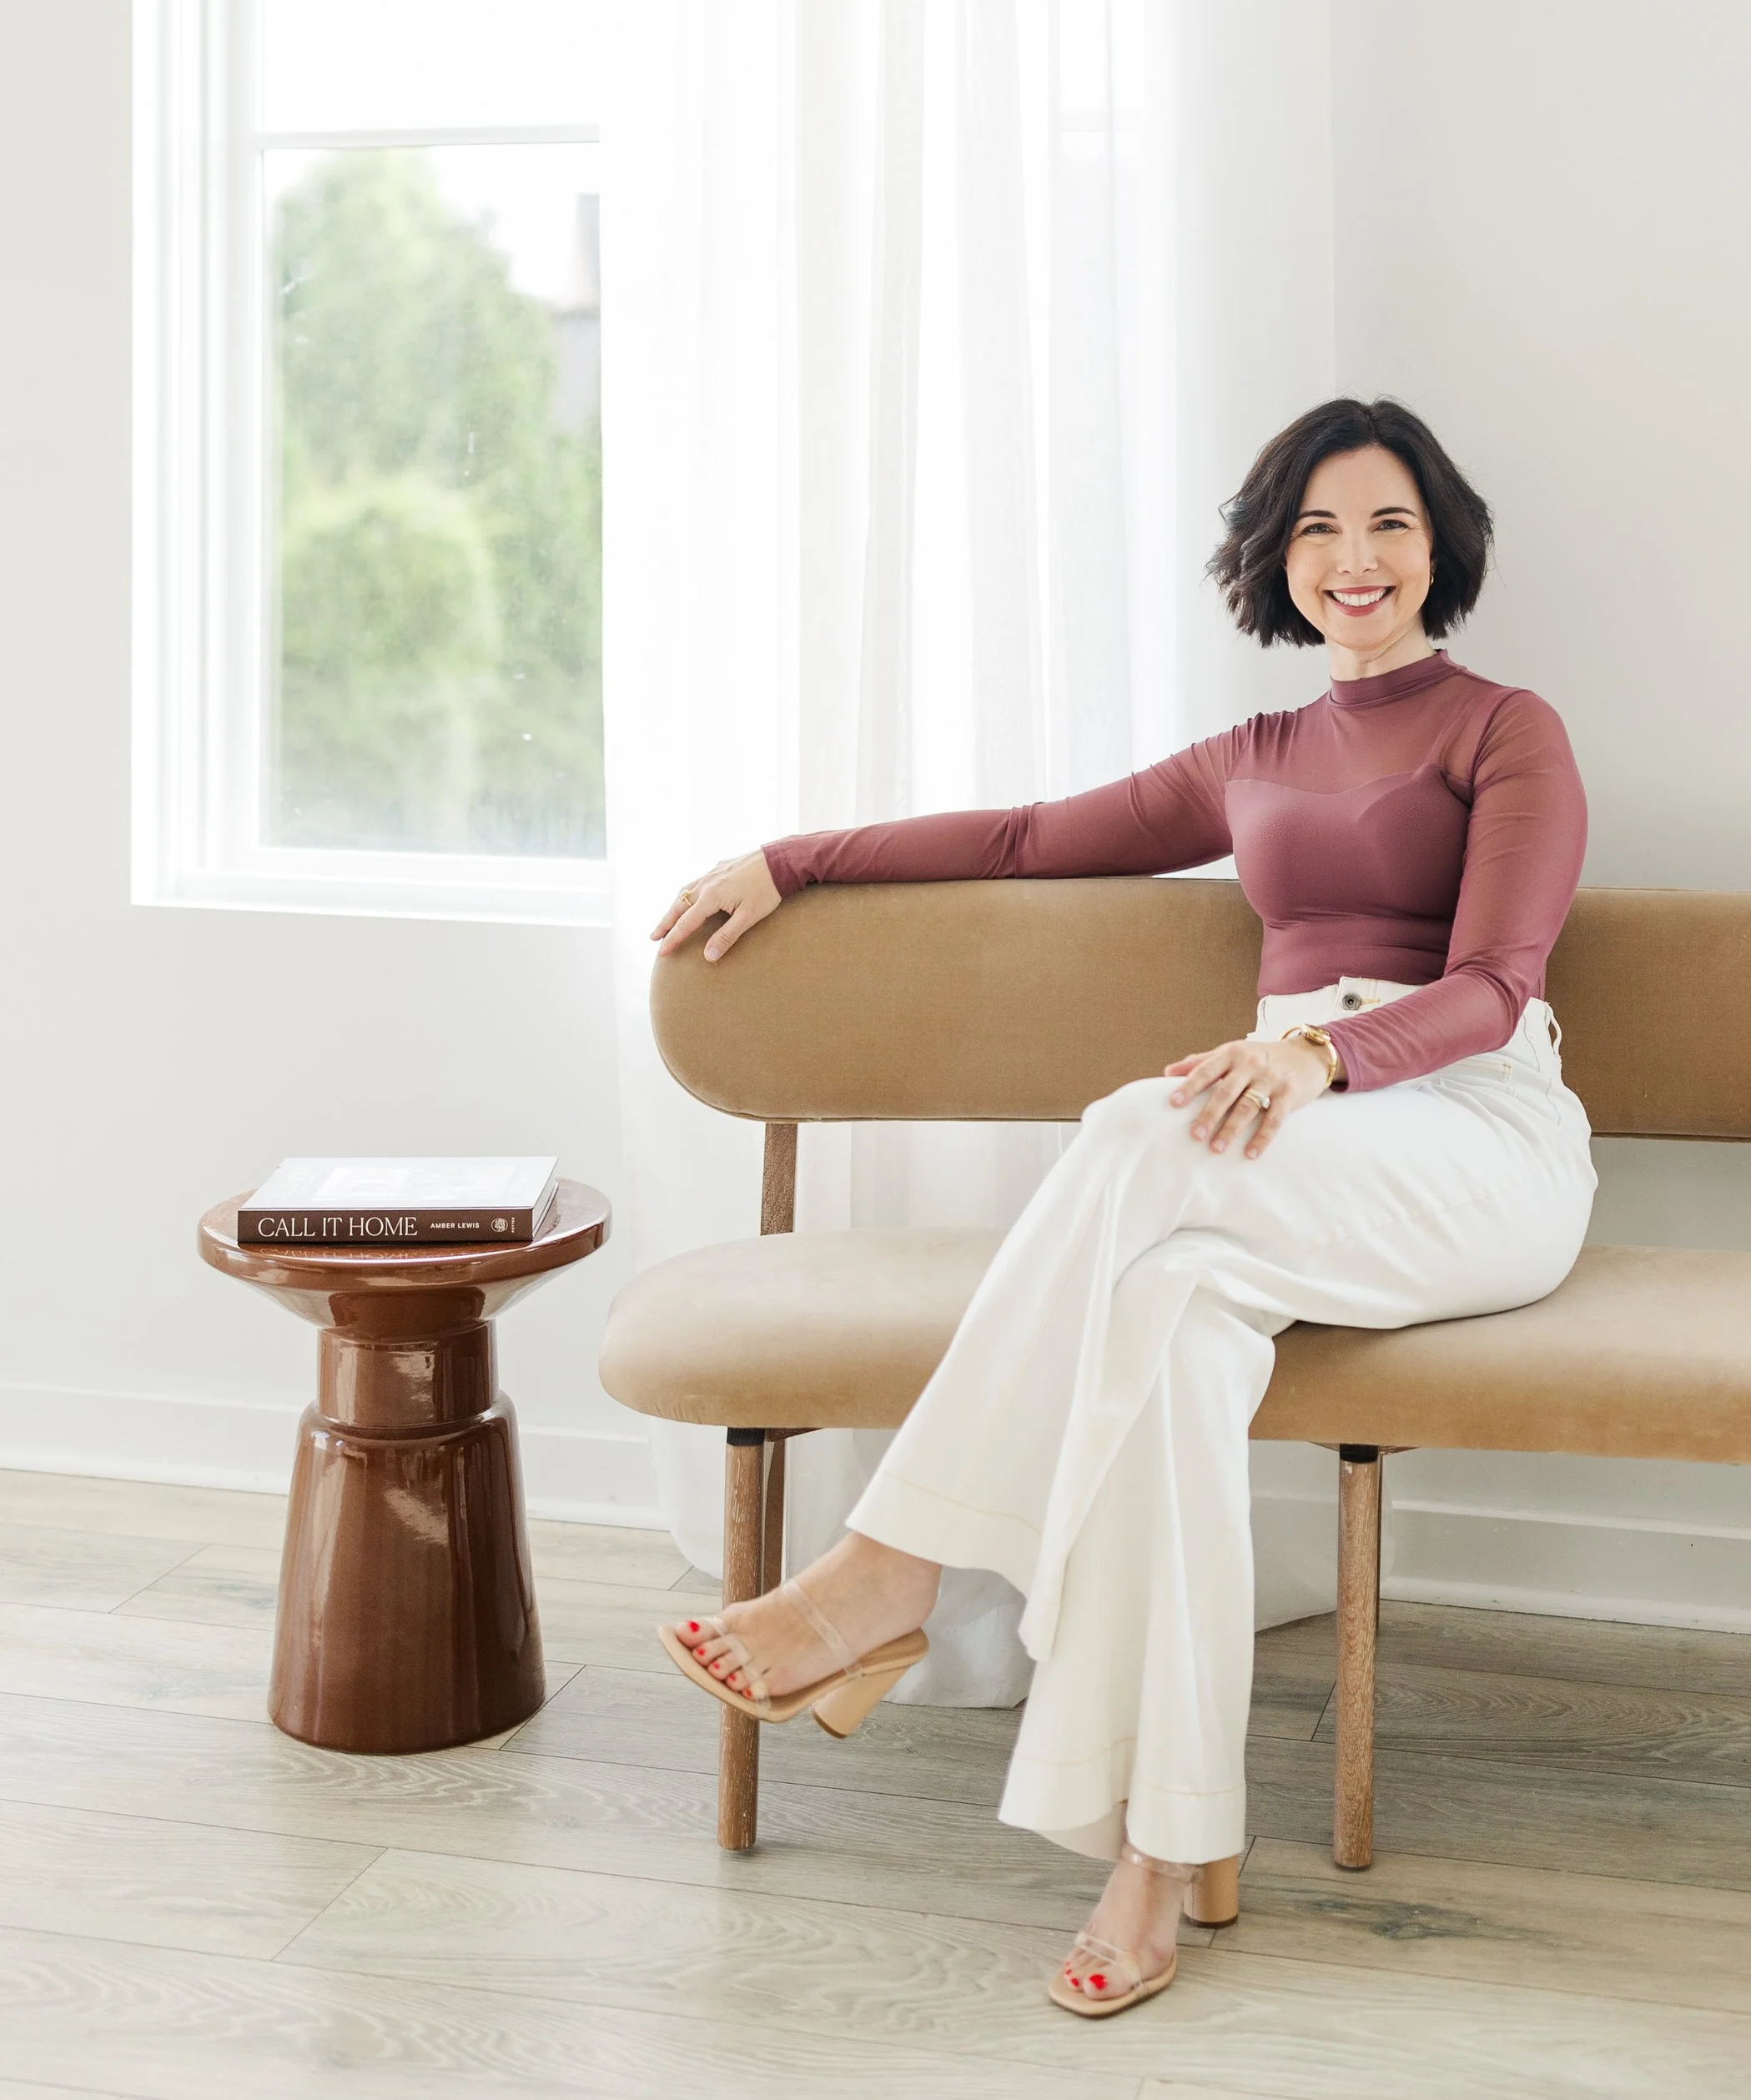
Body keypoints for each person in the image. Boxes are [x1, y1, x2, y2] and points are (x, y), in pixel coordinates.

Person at [651, 394, 1595, 2020]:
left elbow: (1498, 990)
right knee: (1160, 1338)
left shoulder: (1502, 728)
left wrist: (1317, 1049)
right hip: (1267, 1140)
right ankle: (1153, 1853)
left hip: (1462, 1137)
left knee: (1136, 1121)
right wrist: (791, 857)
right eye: (1315, 528)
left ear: (1436, 543)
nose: (1352, 557)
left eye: (1383, 523)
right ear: (1273, 560)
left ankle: (888, 1571)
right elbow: (1026, 838)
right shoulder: (1254, 757)